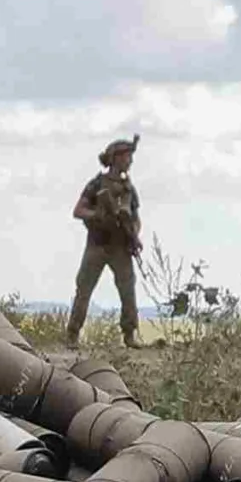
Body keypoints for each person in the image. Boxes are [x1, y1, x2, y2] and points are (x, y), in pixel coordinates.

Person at [66, 136, 142, 348]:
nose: (130, 161)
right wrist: (97, 214)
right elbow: (78, 211)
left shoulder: (128, 189)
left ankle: (129, 334)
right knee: (84, 289)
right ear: (115, 158)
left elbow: (136, 218)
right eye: (127, 156)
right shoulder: (97, 184)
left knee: (128, 291)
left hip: (120, 247)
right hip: (98, 245)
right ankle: (72, 334)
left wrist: (134, 235)